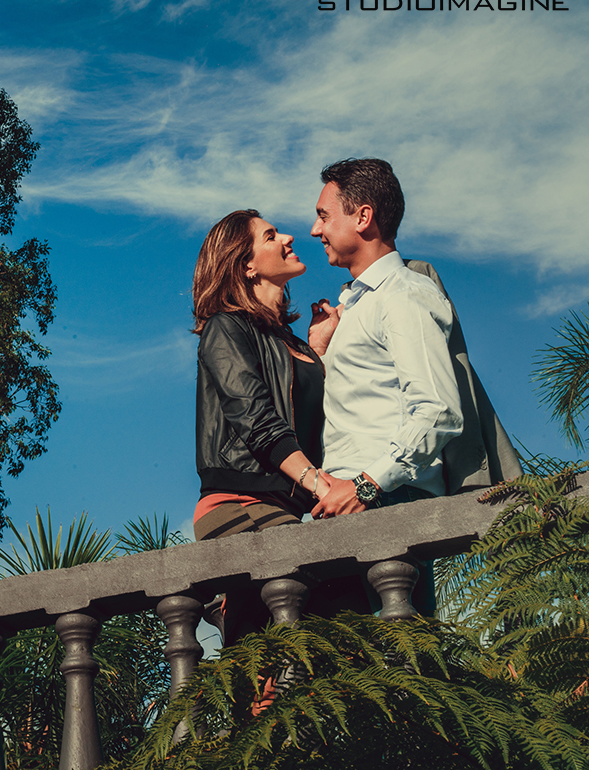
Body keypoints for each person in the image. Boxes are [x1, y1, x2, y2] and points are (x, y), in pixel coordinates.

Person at [306, 157, 521, 614]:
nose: (314, 229)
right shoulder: (357, 306)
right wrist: (322, 351)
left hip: (384, 501)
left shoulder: (403, 294)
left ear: (363, 217)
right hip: (352, 502)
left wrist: (366, 486)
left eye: (324, 215)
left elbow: (437, 411)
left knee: (400, 652)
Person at [192, 209, 330, 645]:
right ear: (246, 264)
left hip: (285, 506)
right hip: (239, 503)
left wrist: (320, 350)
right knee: (291, 643)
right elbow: (256, 419)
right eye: (270, 235)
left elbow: (314, 417)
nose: (288, 237)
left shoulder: (293, 343)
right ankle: (229, 611)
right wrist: (318, 483)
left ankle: (233, 615)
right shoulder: (224, 328)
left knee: (304, 643)